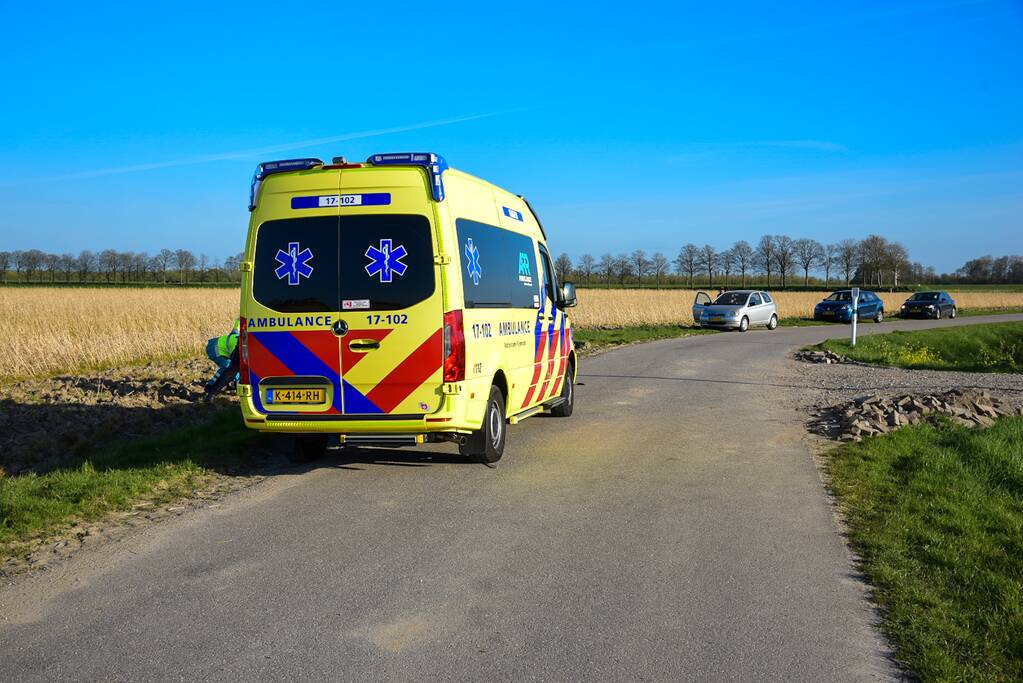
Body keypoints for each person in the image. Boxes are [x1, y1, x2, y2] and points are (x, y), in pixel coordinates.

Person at [203, 319, 240, 402]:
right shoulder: (236, 345)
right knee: (227, 366)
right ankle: (210, 386)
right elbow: (234, 367)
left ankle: (231, 385)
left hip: (223, 348)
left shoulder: (239, 340)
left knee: (235, 370)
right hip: (214, 347)